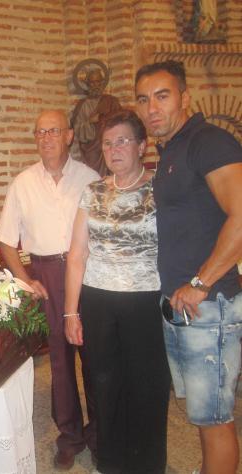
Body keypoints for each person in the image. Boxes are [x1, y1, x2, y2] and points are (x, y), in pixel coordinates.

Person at [135, 60, 242, 474]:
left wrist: (200, 282)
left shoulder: (208, 142)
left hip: (209, 306)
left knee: (216, 418)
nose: (152, 108)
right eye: (143, 99)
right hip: (184, 305)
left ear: (185, 97)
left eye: (162, 96)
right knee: (202, 412)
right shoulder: (173, 149)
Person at [64, 110, 170, 473]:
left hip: (146, 301)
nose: (114, 149)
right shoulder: (93, 191)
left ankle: (147, 464)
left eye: (123, 140)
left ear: (142, 146)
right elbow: (77, 254)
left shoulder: (160, 189)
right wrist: (71, 311)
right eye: (108, 143)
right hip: (98, 301)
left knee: (147, 385)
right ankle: (110, 462)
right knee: (103, 385)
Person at [0, 109, 99, 471]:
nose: (46, 138)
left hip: (89, 273)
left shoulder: (90, 179)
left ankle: (99, 434)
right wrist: (24, 277)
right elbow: (6, 240)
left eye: (54, 131)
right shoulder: (22, 183)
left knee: (95, 358)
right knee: (60, 360)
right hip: (47, 275)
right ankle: (69, 436)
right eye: (40, 132)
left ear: (69, 136)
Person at [71, 68, 122, 176]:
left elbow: (122, 123)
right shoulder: (82, 105)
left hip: (110, 147)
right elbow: (77, 129)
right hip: (91, 152)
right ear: (88, 84)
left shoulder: (111, 102)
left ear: (102, 83)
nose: (95, 85)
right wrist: (90, 122)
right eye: (92, 82)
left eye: (98, 82)